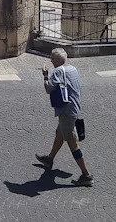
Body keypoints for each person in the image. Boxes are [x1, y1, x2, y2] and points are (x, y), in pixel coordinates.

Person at [36, 48, 93, 186]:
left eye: (52, 59)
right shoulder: (73, 69)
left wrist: (45, 76)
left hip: (66, 112)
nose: (50, 61)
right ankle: (49, 159)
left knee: (72, 143)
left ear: (57, 61)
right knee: (59, 134)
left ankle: (86, 175)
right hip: (74, 108)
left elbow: (49, 89)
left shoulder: (56, 72)